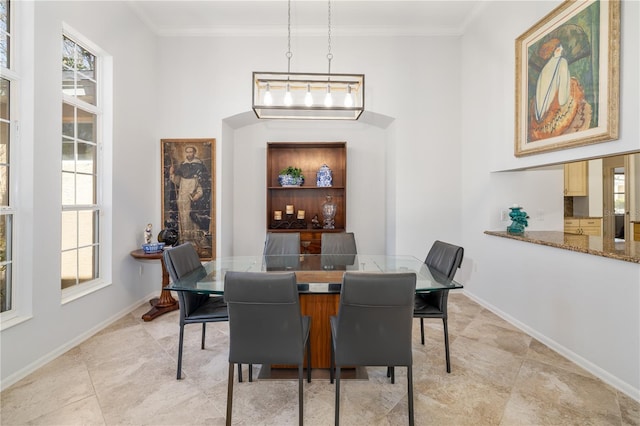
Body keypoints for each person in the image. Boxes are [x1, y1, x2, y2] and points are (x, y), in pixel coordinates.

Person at [529, 38, 587, 142]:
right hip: (555, 108)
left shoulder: (545, 68)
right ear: (554, 51)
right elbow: (562, 97)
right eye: (558, 47)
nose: (561, 48)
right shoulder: (562, 62)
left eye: (560, 46)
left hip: (541, 112)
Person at [169, 146, 211, 250]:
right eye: (187, 152)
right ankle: (185, 240)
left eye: (191, 152)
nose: (189, 154)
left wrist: (198, 195)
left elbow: (203, 183)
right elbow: (178, 182)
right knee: (183, 217)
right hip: (183, 195)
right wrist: (172, 174)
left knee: (192, 217)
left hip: (193, 196)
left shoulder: (200, 165)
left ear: (194, 152)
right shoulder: (182, 165)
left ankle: (195, 240)